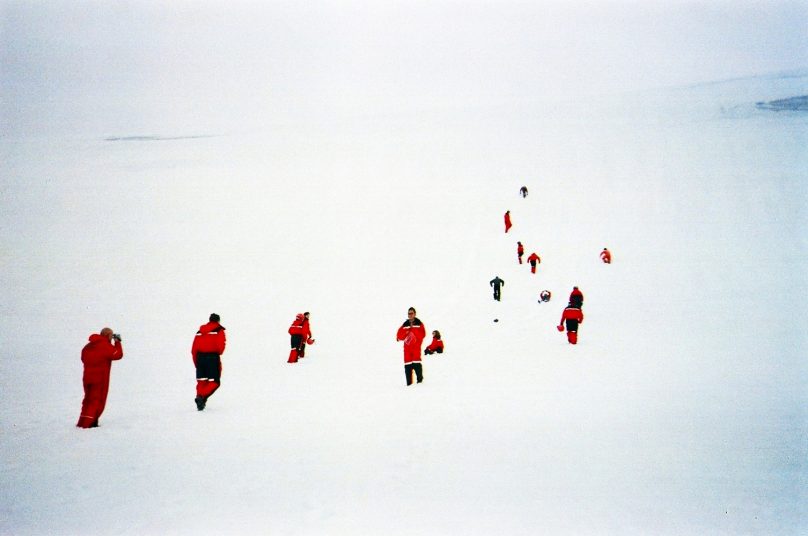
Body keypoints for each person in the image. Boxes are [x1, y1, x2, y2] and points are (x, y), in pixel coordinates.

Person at [77, 327, 124, 428]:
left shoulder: (88, 346)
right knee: (97, 400)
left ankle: (82, 421)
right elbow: (118, 355)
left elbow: (83, 357)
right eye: (111, 336)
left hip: (87, 378)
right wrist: (117, 342)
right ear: (108, 336)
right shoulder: (105, 346)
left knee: (87, 399)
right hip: (99, 378)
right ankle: (89, 423)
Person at [192, 313, 226, 411]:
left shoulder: (199, 332)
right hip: (212, 358)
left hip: (200, 359)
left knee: (201, 382)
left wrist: (196, 363)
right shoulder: (219, 330)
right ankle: (201, 397)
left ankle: (200, 402)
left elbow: (193, 349)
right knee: (215, 382)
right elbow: (221, 349)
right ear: (218, 321)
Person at [396, 307, 426, 385]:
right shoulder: (405, 324)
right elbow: (399, 336)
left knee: (417, 365)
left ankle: (420, 383)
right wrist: (406, 333)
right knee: (408, 366)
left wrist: (414, 334)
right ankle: (409, 386)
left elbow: (423, 334)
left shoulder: (419, 323)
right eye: (409, 313)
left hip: (416, 348)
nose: (410, 315)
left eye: (412, 313)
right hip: (407, 350)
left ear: (415, 314)